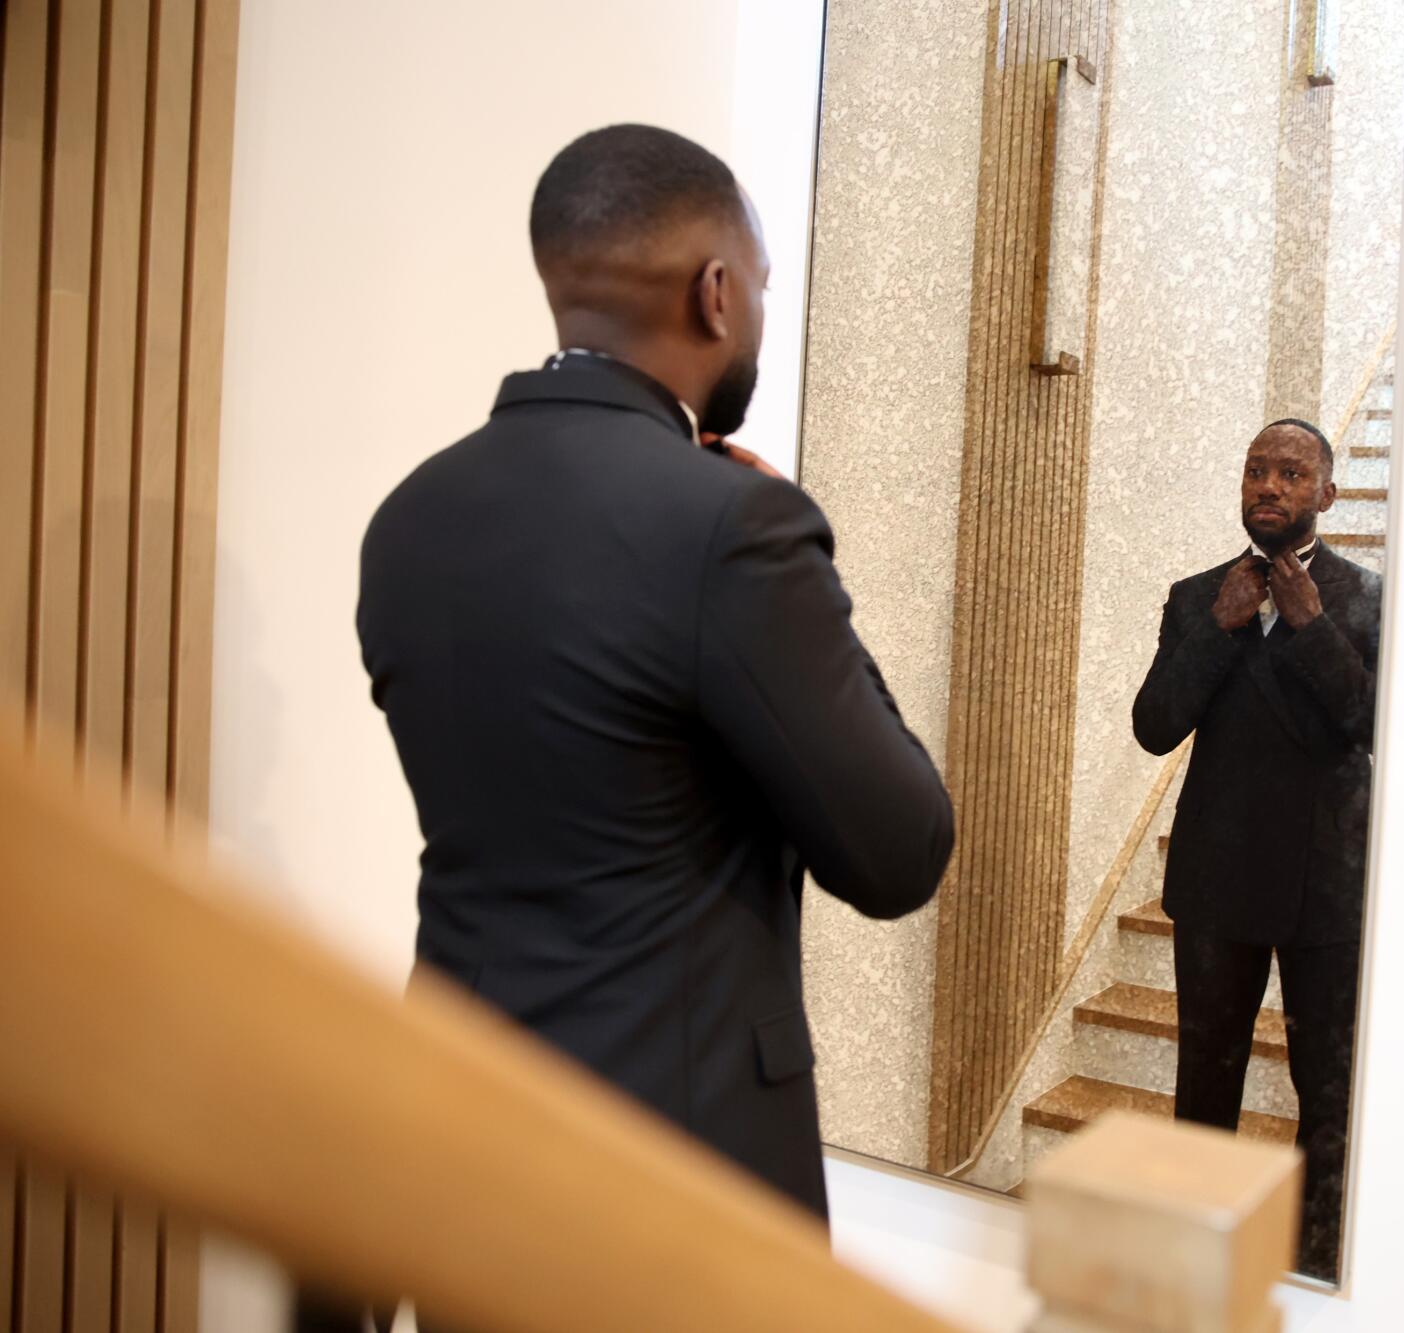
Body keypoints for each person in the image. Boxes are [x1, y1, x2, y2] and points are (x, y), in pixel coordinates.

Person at [348, 124, 953, 1304]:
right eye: (762, 285)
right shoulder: (731, 529)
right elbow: (898, 850)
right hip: (672, 1181)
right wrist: (810, 582)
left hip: (457, 1140)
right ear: (715, 292)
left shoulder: (407, 516)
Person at [1130, 419, 1380, 1279]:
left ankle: (1315, 1270)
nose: (1268, 485)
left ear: (1327, 494)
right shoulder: (1197, 594)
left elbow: (1372, 724)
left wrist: (1309, 629)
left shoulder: (1369, 601)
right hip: (1216, 882)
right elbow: (1154, 725)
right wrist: (1217, 630)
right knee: (1206, 1077)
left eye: (1290, 472)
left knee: (1329, 1090)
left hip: (1327, 888)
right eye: (1255, 471)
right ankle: (1194, 1261)